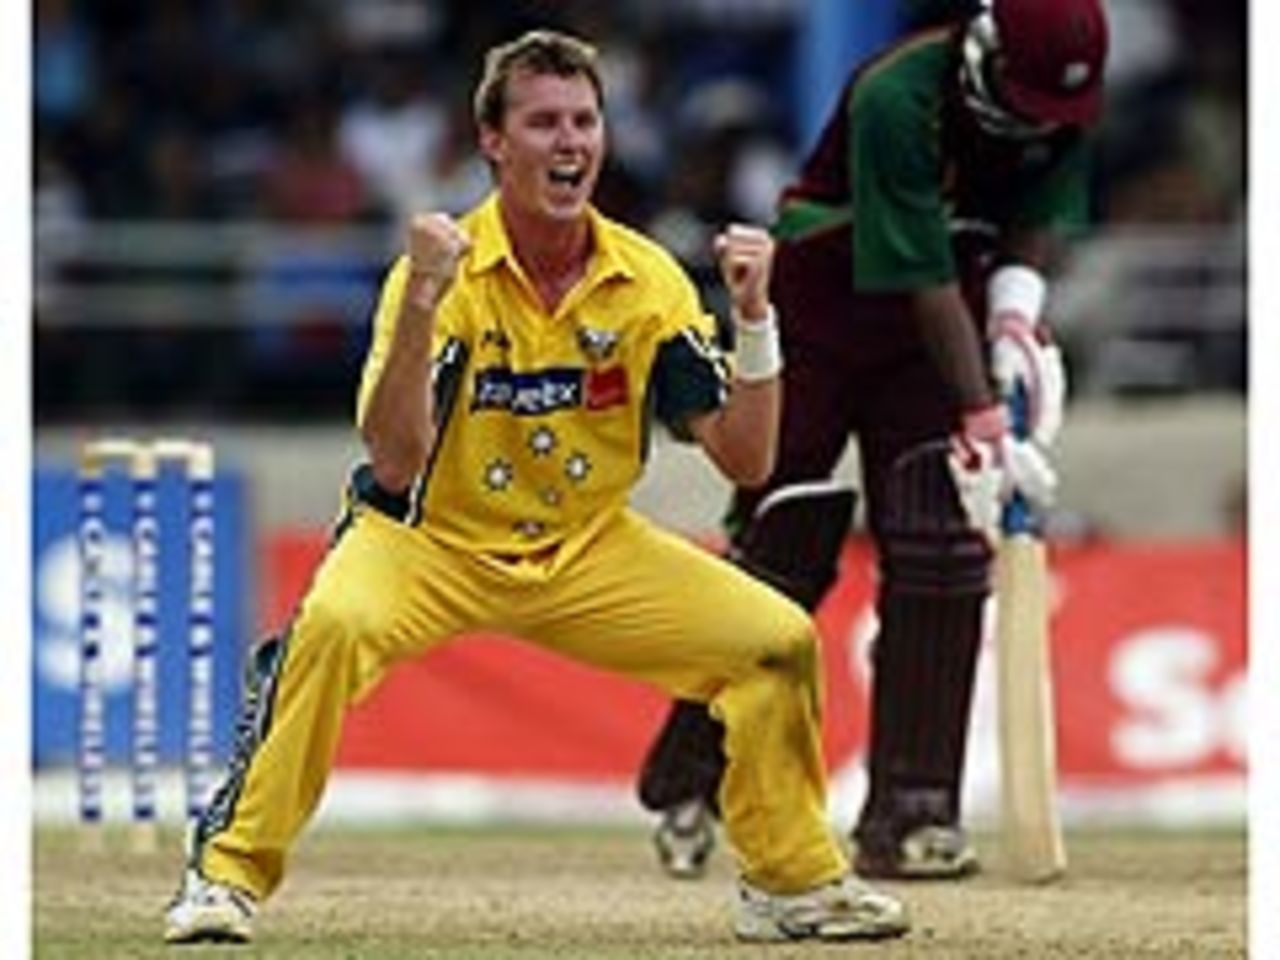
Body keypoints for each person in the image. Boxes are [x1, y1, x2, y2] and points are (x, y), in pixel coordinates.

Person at [162, 29, 909, 945]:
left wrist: (755, 322)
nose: (570, 143)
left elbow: (748, 461)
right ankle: (225, 877)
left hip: (586, 546)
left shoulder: (647, 281)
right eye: (544, 122)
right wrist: (425, 307)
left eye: (585, 122)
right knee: (331, 629)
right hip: (426, 539)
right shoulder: (441, 274)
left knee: (775, 642)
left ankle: (790, 884)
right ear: (493, 142)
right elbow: (396, 462)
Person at [638, 0, 1107, 881]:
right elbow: (921, 270)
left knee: (939, 547)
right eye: (1028, 100)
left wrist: (1016, 325)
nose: (1042, 121)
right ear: (984, 48)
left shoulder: (1063, 94)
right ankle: (689, 782)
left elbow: (1034, 218)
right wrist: (981, 415)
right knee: (782, 548)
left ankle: (913, 815)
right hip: (825, 312)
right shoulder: (901, 94)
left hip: (937, 334)